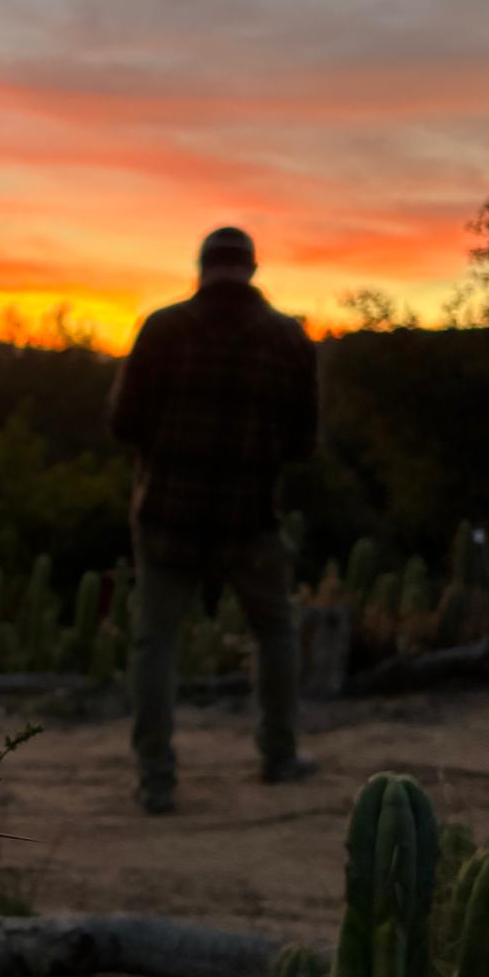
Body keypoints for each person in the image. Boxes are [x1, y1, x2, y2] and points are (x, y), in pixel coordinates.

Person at [107, 227, 319, 813]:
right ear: (252, 269)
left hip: (167, 517)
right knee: (275, 634)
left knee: (155, 643)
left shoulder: (161, 329)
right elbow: (303, 444)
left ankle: (157, 779)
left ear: (201, 268)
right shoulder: (289, 338)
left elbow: (122, 423)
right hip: (252, 519)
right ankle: (279, 757)